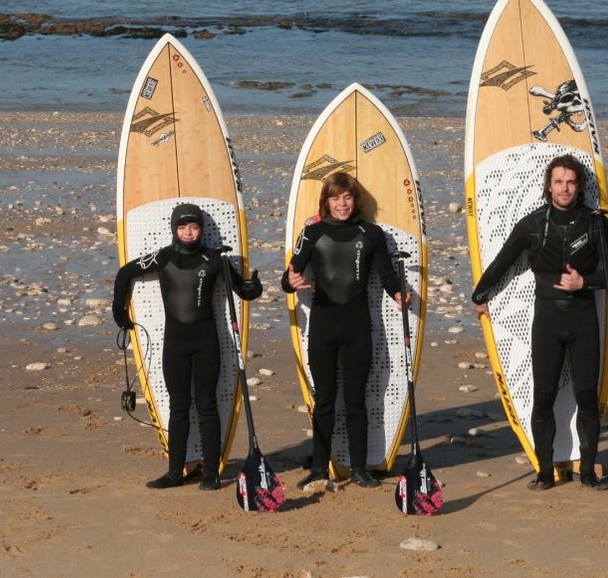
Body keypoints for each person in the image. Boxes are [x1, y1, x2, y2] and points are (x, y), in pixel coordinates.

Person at [472, 154, 608, 491]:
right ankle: (544, 472)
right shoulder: (532, 224)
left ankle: (586, 472)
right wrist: (479, 295)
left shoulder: (596, 223)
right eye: (559, 182)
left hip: (584, 319)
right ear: (549, 185)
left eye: (571, 182)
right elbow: (503, 261)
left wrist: (584, 283)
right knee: (543, 396)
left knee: (586, 396)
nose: (565, 188)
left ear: (579, 185)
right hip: (547, 323)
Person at [113, 203, 262, 491]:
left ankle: (211, 473)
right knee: (178, 407)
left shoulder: (214, 260)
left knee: (207, 406)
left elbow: (242, 291)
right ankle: (174, 472)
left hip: (206, 342)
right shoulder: (164, 257)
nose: (189, 232)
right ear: (174, 229)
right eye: (183, 227)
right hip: (175, 344)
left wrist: (255, 287)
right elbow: (124, 273)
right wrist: (120, 313)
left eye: (194, 227)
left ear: (202, 229)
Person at [282, 172, 408, 489]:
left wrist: (398, 292)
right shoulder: (313, 233)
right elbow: (289, 276)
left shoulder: (371, 233)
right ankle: (320, 468)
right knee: (324, 400)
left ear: (355, 200)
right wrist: (290, 283)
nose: (342, 204)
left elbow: (387, 275)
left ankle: (359, 468)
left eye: (347, 197)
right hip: (323, 326)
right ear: (326, 202)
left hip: (357, 326)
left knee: (356, 400)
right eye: (335, 198)